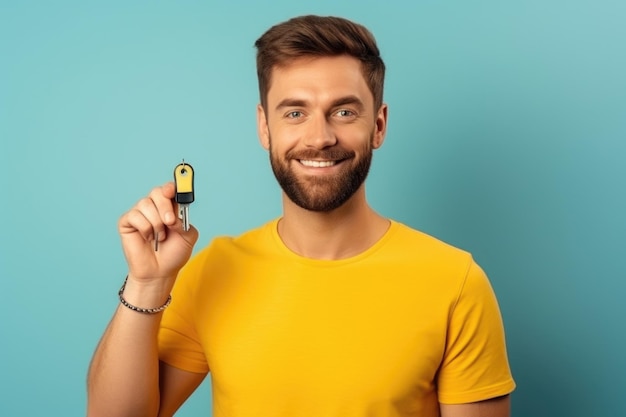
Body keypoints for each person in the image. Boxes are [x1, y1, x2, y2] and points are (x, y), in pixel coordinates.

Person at [87, 15, 515, 417]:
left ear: (379, 126)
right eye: (295, 113)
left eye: (344, 112)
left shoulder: (455, 282)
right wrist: (147, 284)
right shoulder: (215, 271)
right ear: (265, 128)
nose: (319, 137)